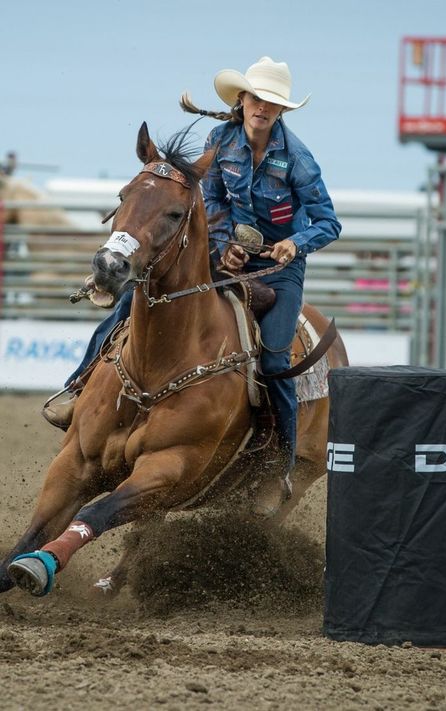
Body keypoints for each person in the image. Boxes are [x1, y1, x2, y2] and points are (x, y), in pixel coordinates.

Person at [44, 56, 341, 516]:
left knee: (278, 352)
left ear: (282, 111)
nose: (262, 107)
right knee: (129, 305)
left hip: (277, 270)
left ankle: (280, 457)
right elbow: (213, 199)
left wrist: (294, 244)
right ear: (242, 101)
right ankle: (77, 389)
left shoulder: (298, 158)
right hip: (226, 254)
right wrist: (223, 246)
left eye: (272, 103)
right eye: (256, 98)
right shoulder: (219, 140)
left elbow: (328, 221)